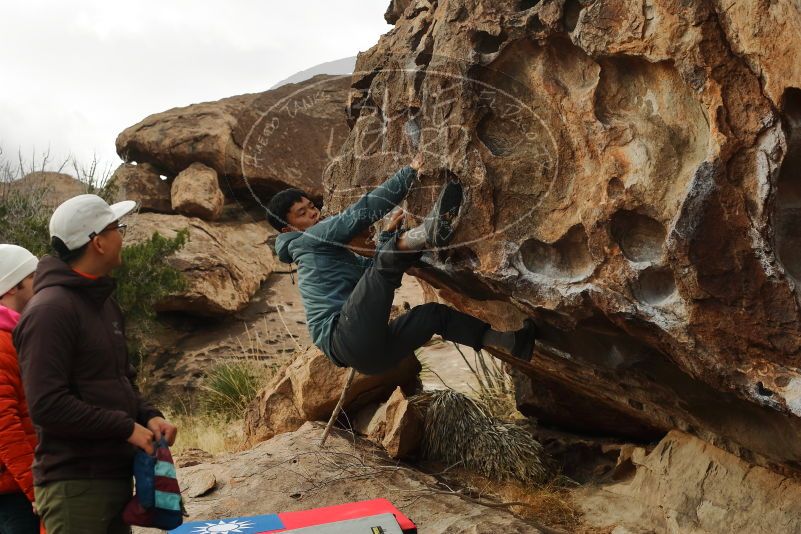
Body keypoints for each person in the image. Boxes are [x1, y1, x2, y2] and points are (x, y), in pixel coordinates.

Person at [266, 154, 537, 376]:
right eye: (302, 213)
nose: (313, 212)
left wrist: (386, 236)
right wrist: (408, 173)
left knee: (434, 316)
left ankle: (513, 343)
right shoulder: (308, 239)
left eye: (311, 205)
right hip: (344, 334)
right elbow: (358, 215)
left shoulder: (316, 250)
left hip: (369, 357)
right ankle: (425, 233)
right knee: (383, 266)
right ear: (288, 228)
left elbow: (366, 278)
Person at [14, 194, 178, 534]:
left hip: (110, 477)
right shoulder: (51, 310)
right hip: (76, 488)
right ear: (98, 242)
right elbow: (46, 405)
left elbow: (120, 380)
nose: (122, 235)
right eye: (117, 228)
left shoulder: (101, 303)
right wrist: (126, 428)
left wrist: (149, 415)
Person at [0, 245, 40, 533]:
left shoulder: (15, 335)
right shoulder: (2, 343)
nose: (40, 284)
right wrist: (36, 487)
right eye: (33, 277)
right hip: (13, 493)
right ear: (14, 286)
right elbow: (5, 427)